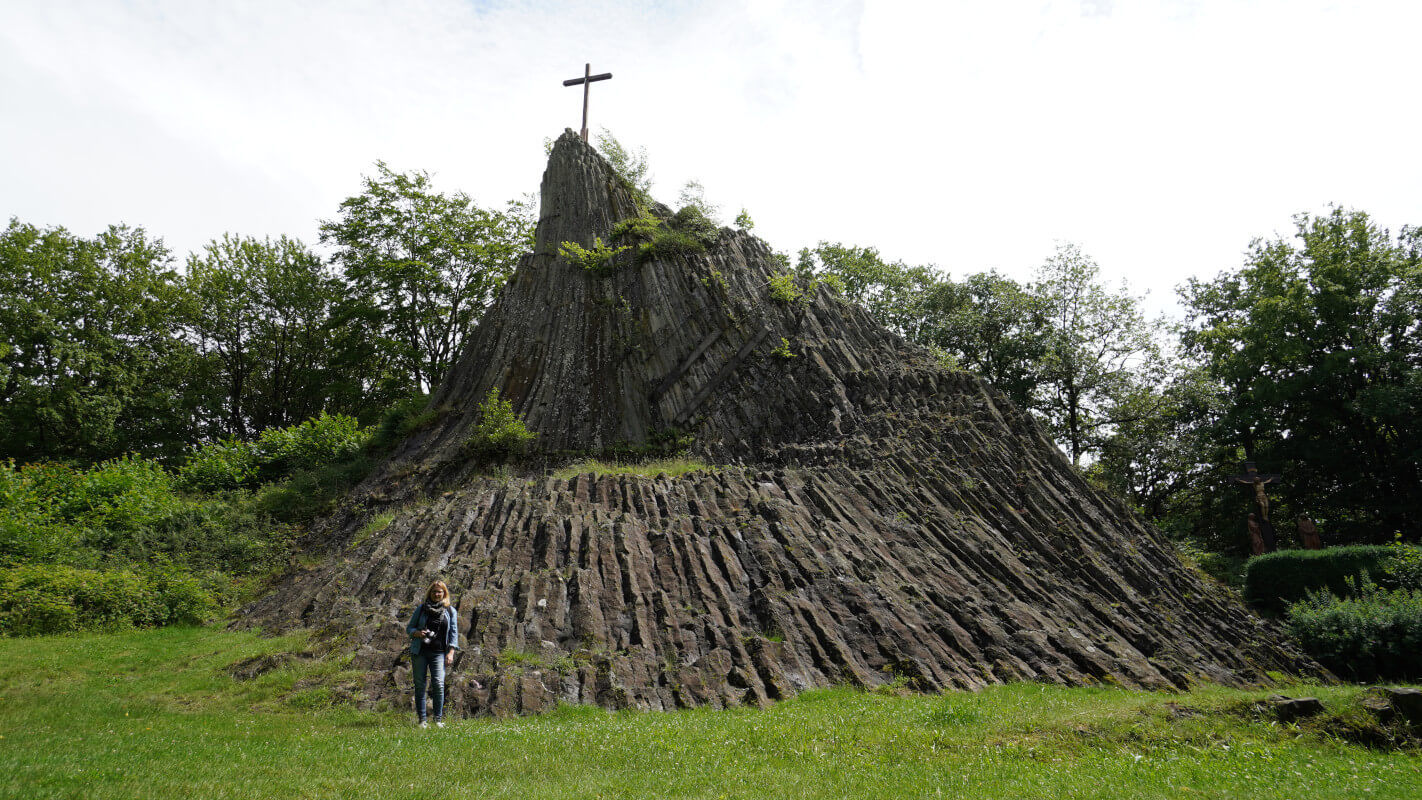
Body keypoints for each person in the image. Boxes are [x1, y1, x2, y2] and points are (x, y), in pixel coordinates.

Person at [407, 580, 459, 728]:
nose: (437, 594)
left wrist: (451, 653)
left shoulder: (450, 611)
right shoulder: (422, 609)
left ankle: (438, 720)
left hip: (439, 653)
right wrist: (416, 633)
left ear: (444, 593)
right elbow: (409, 628)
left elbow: (454, 634)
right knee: (420, 685)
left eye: (440, 592)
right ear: (430, 593)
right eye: (434, 592)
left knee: (438, 684)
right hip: (420, 652)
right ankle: (422, 720)